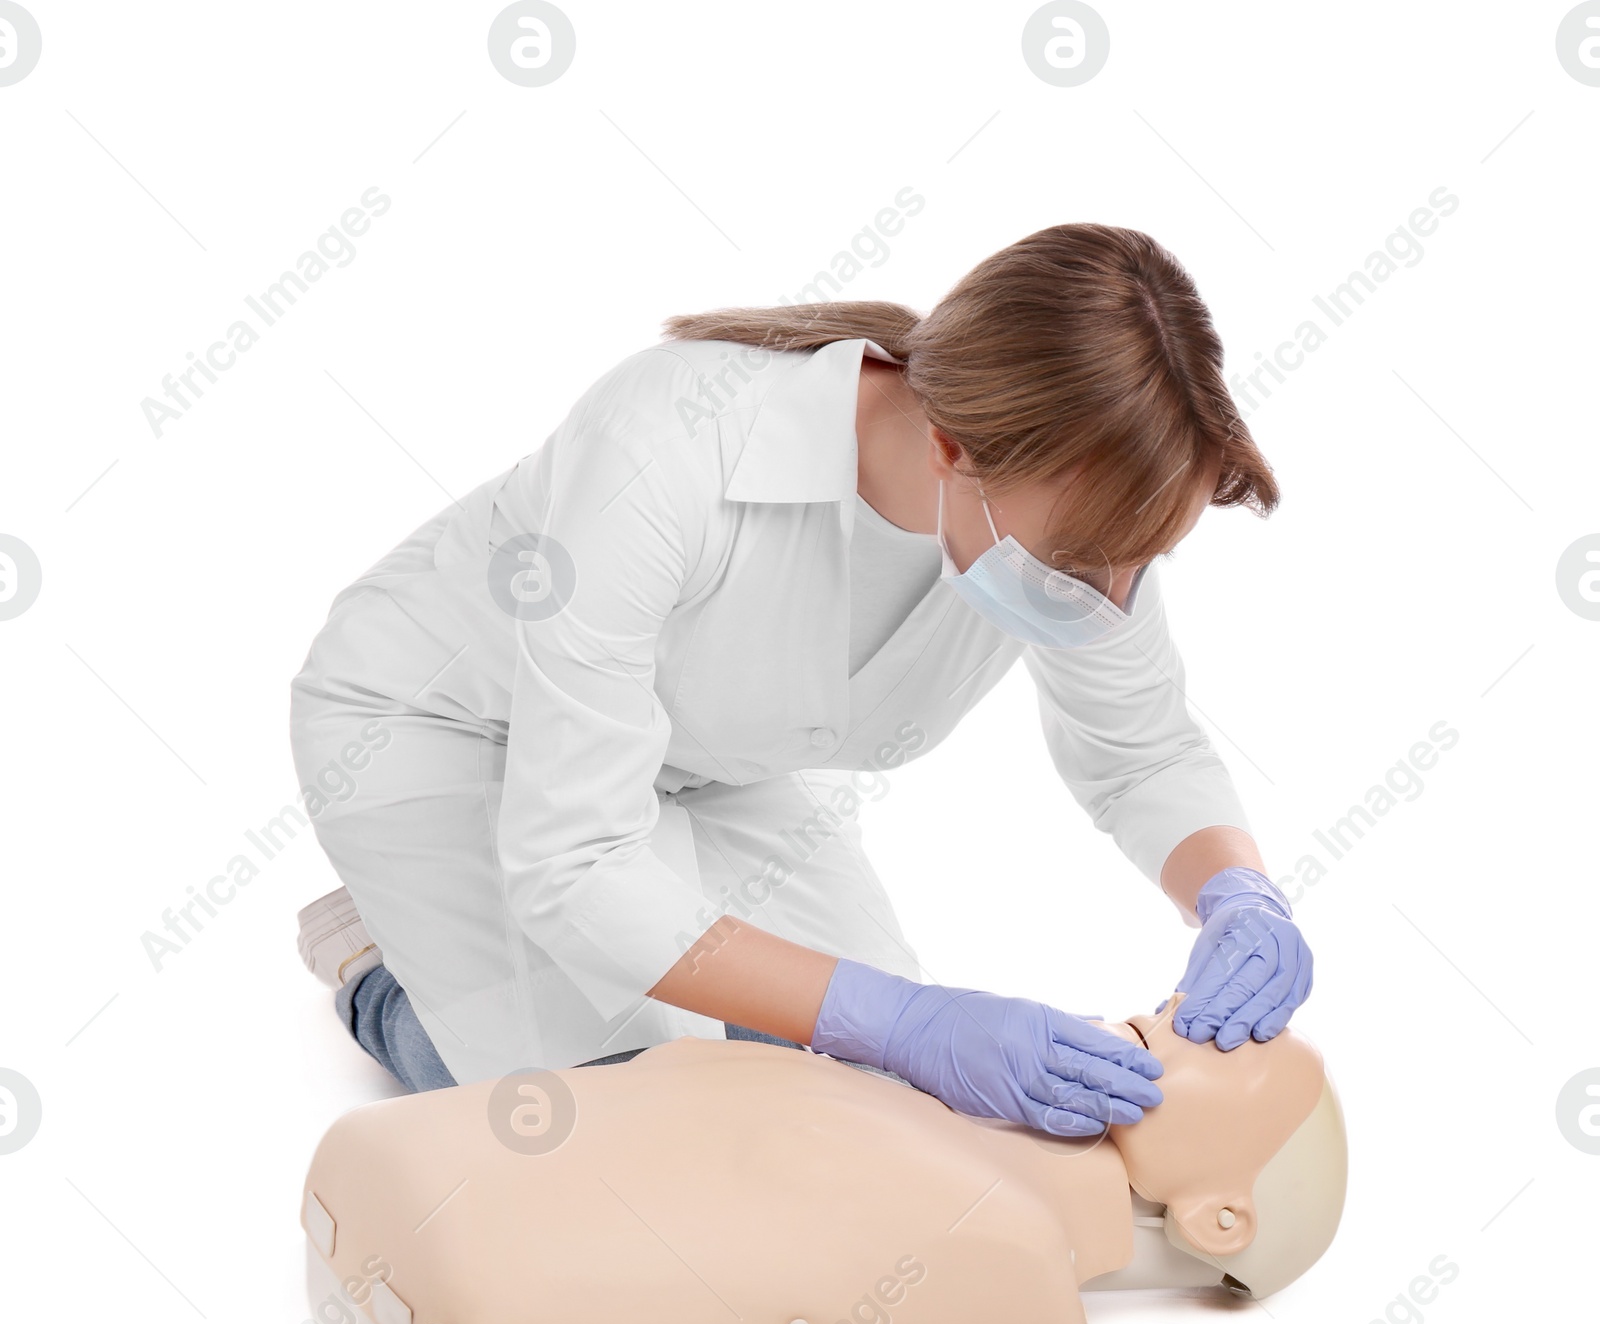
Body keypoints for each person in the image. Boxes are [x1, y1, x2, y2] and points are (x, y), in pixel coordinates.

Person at [290, 223, 1312, 1134]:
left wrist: (1238, 894)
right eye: (1085, 564)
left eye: (1137, 561)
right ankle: (386, 972)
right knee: (618, 1127)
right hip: (451, 725)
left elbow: (1142, 751)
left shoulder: (1078, 514)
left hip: (718, 758)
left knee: (873, 1112)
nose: (1111, 595)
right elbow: (579, 862)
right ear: (952, 445)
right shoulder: (665, 441)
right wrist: (905, 1019)